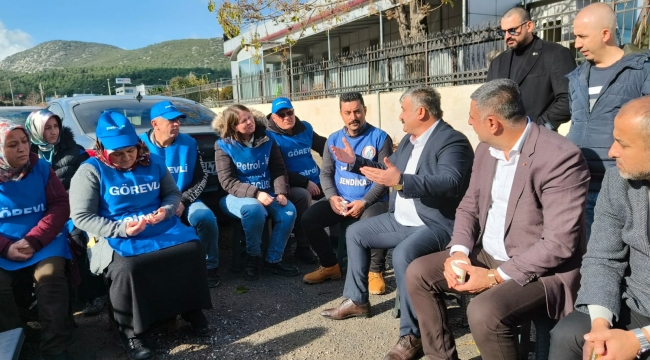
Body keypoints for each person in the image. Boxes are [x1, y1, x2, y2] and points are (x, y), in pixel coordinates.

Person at [404, 79, 589, 360]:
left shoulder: (560, 158)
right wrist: (459, 253)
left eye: (472, 117)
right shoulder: (486, 149)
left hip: (542, 271)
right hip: (489, 253)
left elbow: (558, 245)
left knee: (483, 312)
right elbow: (469, 206)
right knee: (419, 273)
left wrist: (493, 277)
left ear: (493, 123)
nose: (468, 122)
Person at [320, 86, 475, 360]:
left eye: (403, 109)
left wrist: (402, 181)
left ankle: (412, 335)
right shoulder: (409, 139)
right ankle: (357, 300)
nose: (400, 116)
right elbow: (388, 172)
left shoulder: (452, 141)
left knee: (403, 254)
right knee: (356, 233)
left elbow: (450, 182)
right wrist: (355, 161)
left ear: (421, 111)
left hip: (434, 224)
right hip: (401, 219)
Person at [69, 111, 212, 360]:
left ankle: (190, 308)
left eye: (130, 151)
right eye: (117, 154)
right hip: (114, 233)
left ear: (138, 145)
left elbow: (172, 195)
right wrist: (121, 229)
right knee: (128, 267)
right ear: (102, 148)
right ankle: (130, 332)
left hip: (158, 225)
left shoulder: (153, 161)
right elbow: (81, 217)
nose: (125, 158)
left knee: (192, 248)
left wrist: (166, 211)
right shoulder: (90, 170)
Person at [549, 96, 650, 360]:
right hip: (636, 302)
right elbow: (603, 258)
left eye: (623, 144)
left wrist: (640, 340)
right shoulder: (619, 179)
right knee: (568, 335)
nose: (611, 152)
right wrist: (600, 327)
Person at [566, 2, 650, 240]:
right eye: (576, 36)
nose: (577, 44)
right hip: (577, 184)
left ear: (605, 34)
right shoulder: (577, 77)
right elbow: (577, 121)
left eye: (582, 36)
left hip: (622, 188)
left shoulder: (641, 71)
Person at [301, 92, 392, 295]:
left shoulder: (380, 138)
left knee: (375, 222)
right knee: (309, 219)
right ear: (341, 114)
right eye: (348, 112)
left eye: (357, 111)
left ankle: (375, 270)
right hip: (341, 200)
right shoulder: (333, 139)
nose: (353, 117)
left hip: (372, 200)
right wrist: (332, 197)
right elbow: (325, 173)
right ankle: (330, 266)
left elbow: (386, 178)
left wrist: (365, 202)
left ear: (365, 111)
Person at [0, 119, 72, 360]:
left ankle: (55, 348)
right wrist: (6, 247)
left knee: (50, 279)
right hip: (4, 247)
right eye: (12, 145)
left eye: (24, 141)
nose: (22, 148)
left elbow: (60, 205)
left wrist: (34, 240)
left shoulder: (40, 167)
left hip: (44, 241)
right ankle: (13, 341)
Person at [24, 110, 106, 317]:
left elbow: (84, 187)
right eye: (47, 128)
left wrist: (65, 212)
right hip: (37, 215)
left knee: (78, 240)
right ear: (34, 131)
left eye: (55, 126)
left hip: (71, 211)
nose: (53, 132)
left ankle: (93, 294)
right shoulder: (26, 155)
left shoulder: (74, 151)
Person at [139, 100, 220, 288]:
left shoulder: (189, 143)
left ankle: (210, 267)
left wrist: (183, 201)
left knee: (205, 218)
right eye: (170, 120)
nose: (176, 124)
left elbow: (201, 178)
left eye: (178, 120)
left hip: (185, 199)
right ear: (155, 124)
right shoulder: (139, 146)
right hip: (153, 203)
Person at [214, 104, 299, 281]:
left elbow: (278, 168)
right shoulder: (223, 145)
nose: (249, 122)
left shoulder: (267, 138)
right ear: (233, 126)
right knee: (254, 210)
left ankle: (273, 260)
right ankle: (253, 257)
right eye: (243, 120)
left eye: (249, 117)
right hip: (236, 196)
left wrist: (281, 192)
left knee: (289, 211)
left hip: (268, 192)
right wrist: (255, 193)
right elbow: (227, 181)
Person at [487, 6, 575, 131]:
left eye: (512, 30)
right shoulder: (497, 62)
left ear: (529, 26)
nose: (507, 36)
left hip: (539, 140)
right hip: (503, 140)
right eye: (503, 32)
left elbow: (568, 99)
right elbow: (488, 100)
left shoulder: (555, 54)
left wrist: (537, 127)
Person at [265, 97, 327, 264]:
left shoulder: (304, 128)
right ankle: (303, 246)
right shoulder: (269, 137)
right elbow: (278, 169)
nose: (287, 117)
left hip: (315, 178)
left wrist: (332, 169)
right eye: (281, 115)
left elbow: (324, 146)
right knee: (303, 196)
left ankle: (335, 238)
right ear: (273, 117)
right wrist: (305, 182)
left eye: (289, 112)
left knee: (337, 187)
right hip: (289, 184)